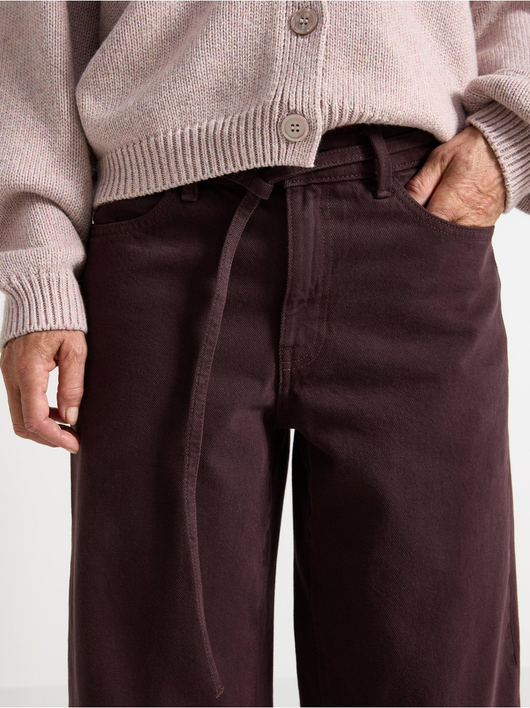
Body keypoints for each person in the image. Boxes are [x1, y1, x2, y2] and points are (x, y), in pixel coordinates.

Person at [0, 1, 528, 706]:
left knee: (433, 663)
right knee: (158, 675)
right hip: (162, 250)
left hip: (415, 230)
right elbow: (33, 36)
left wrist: (510, 136)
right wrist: (37, 258)